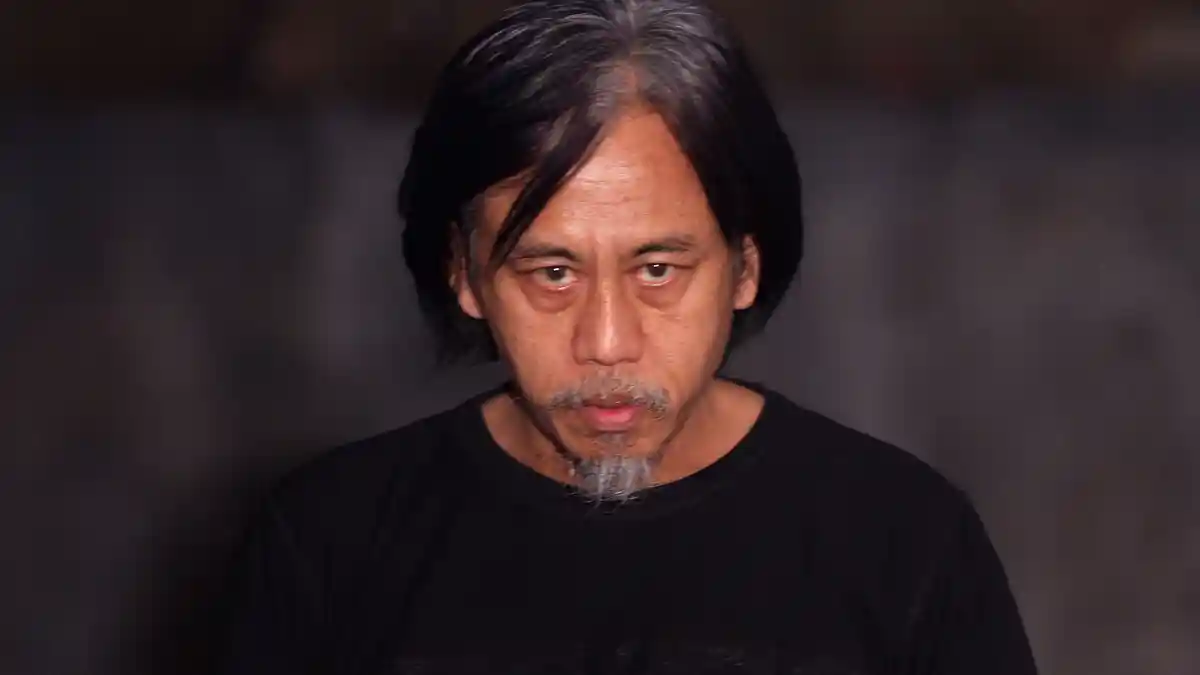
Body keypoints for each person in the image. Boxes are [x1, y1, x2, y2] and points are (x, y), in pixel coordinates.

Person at [223, 1, 1039, 673]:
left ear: (744, 268)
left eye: (657, 269)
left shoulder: (901, 541)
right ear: (466, 276)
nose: (607, 343)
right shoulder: (332, 543)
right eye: (552, 272)